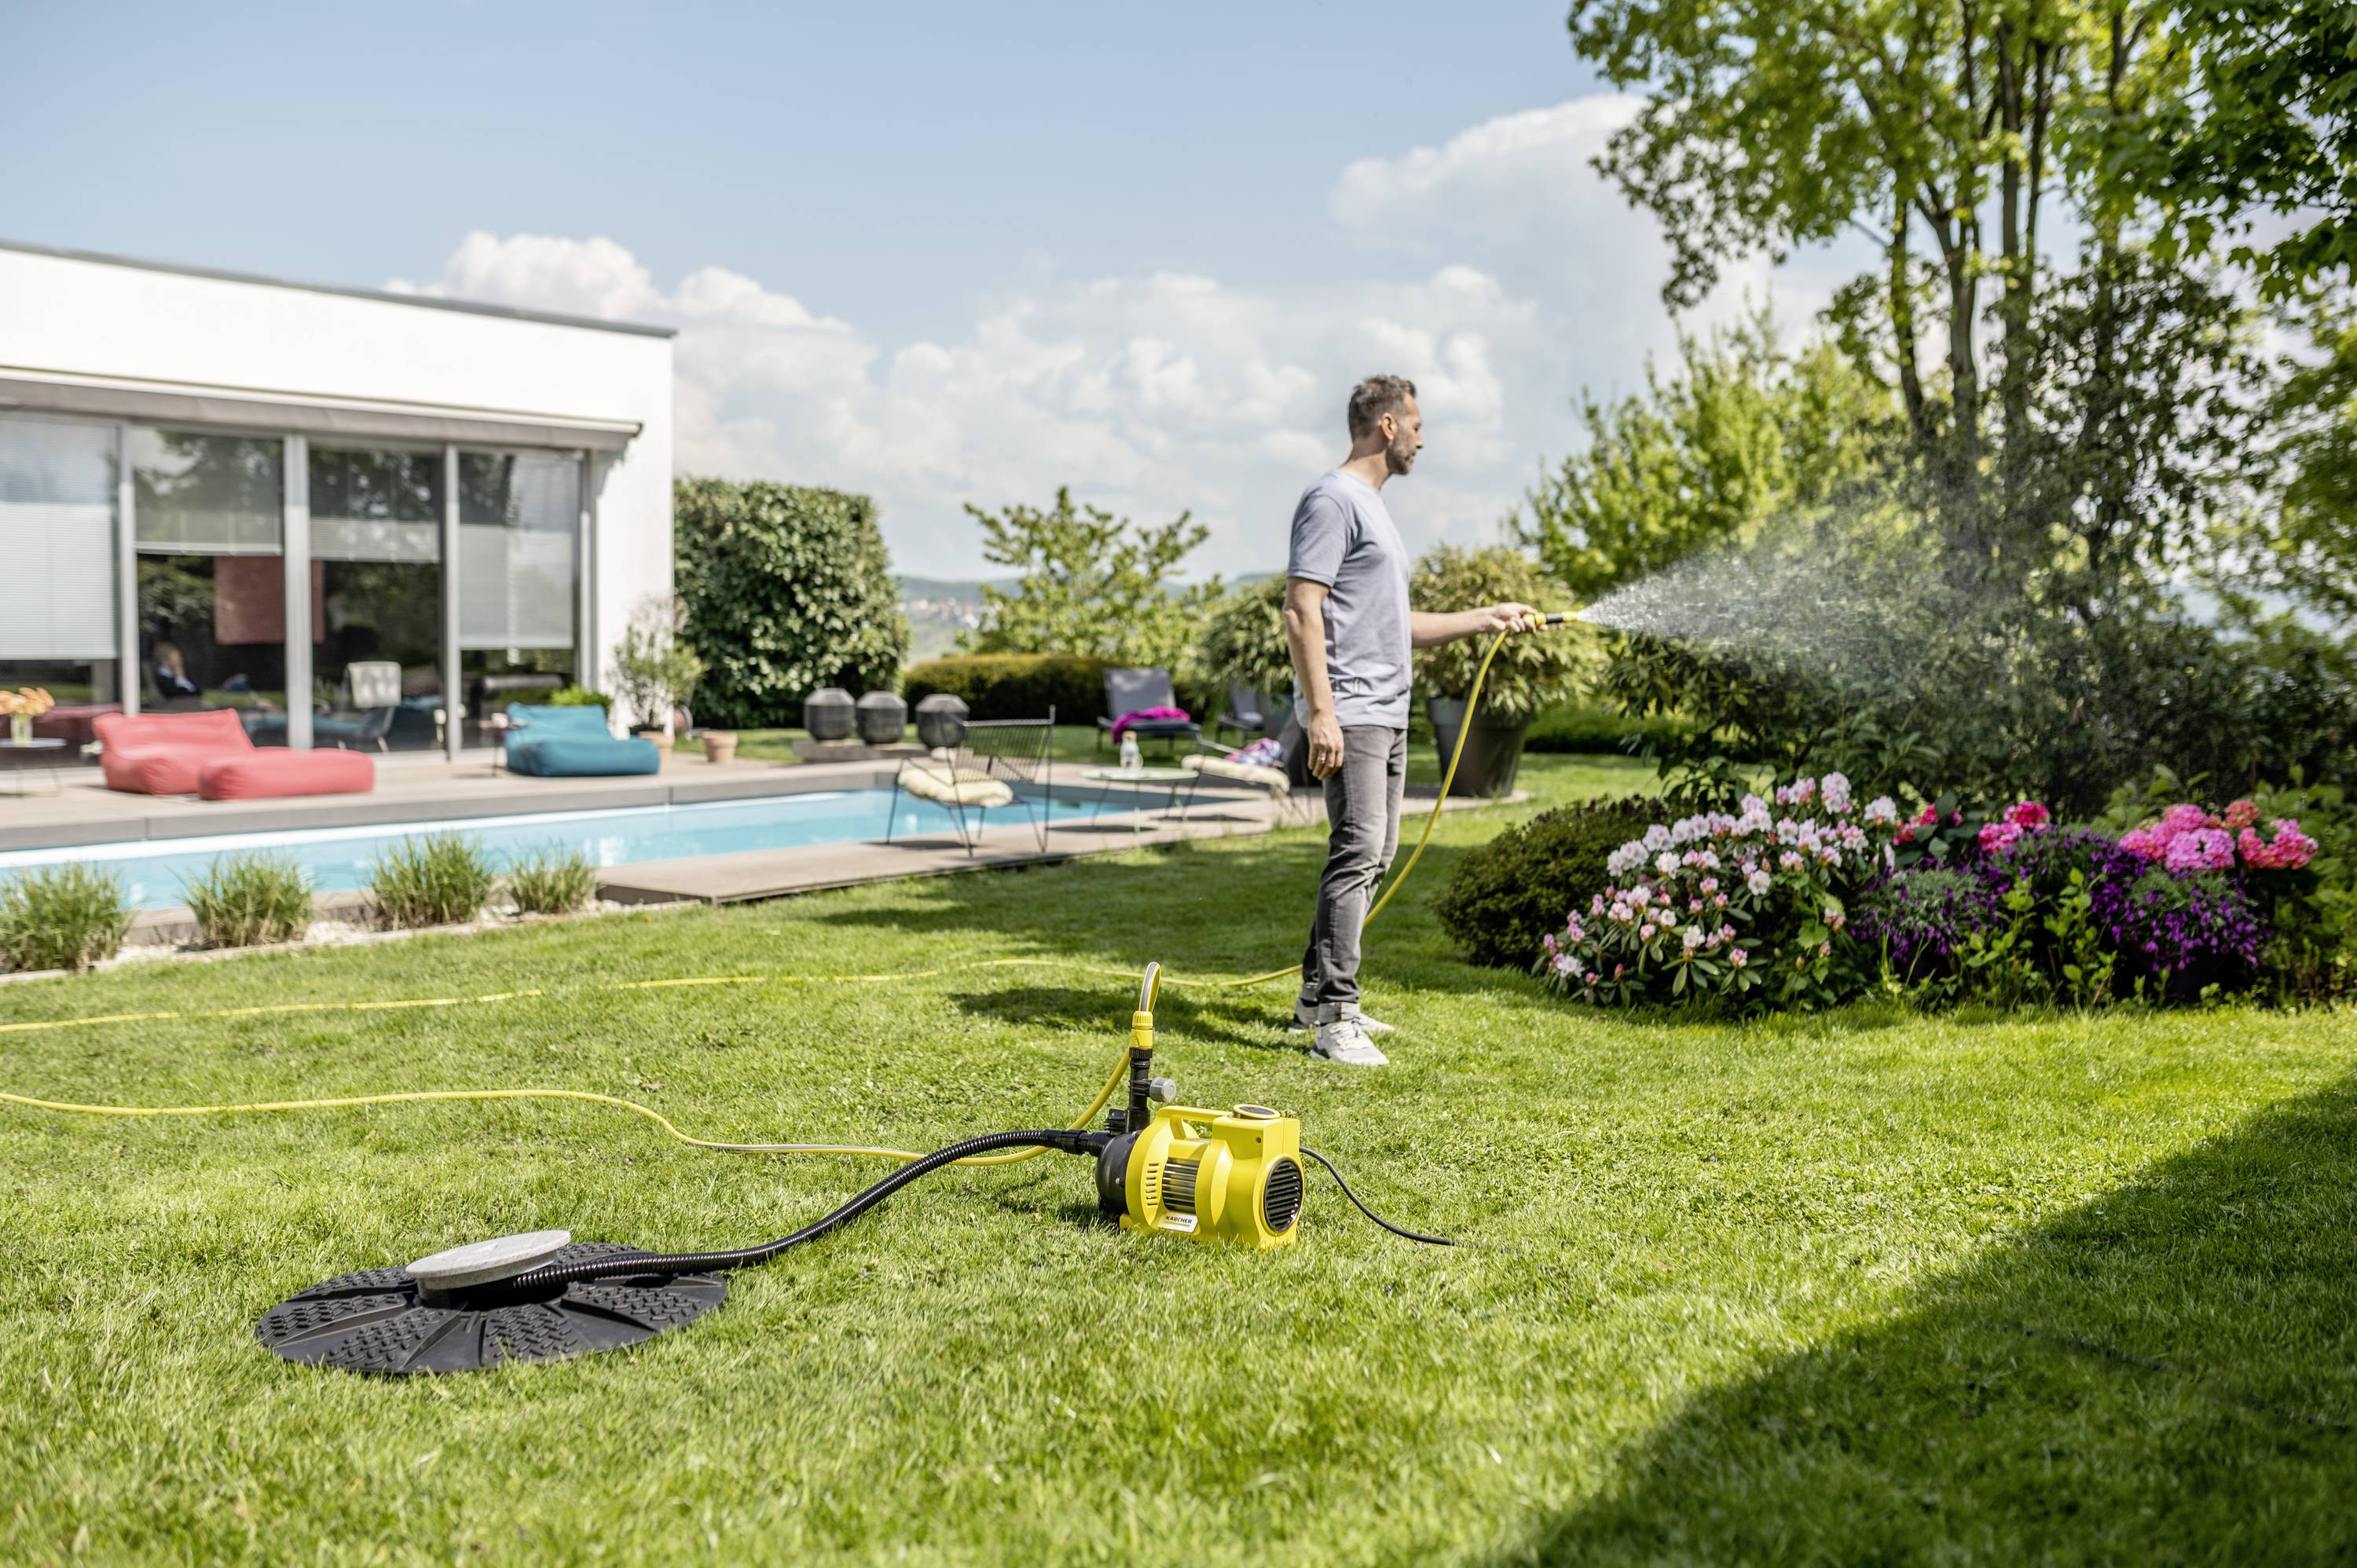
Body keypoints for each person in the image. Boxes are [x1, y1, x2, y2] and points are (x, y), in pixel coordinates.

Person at [1283, 375, 1539, 1066]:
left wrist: (1489, 616)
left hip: (1388, 713)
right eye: (1417, 425)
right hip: (1355, 711)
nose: (1425, 438)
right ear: (1387, 426)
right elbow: (1301, 608)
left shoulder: (1373, 509)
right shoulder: (1333, 500)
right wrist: (1323, 714)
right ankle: (1336, 1016)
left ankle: (1316, 996)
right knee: (1358, 852)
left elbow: (1400, 625)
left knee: (1376, 854)